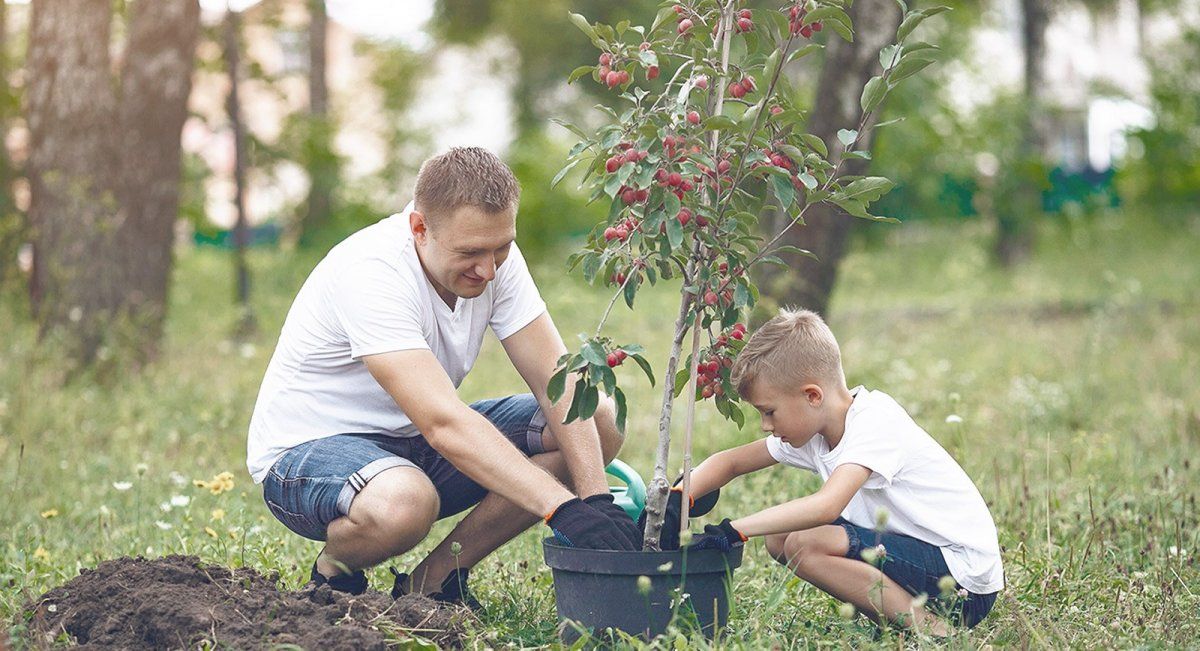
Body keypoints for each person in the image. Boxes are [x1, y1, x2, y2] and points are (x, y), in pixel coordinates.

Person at [246, 147, 640, 607]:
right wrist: (563, 509)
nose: (489, 270)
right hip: (309, 454)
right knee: (404, 504)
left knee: (598, 421)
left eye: (502, 247)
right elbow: (443, 422)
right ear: (419, 228)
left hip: (414, 445)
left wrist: (595, 503)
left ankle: (432, 583)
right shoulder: (371, 273)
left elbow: (560, 381)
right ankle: (336, 572)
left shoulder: (493, 259)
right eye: (471, 252)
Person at [676, 308, 1003, 633]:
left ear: (812, 396)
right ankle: (895, 623)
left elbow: (825, 506)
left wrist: (735, 529)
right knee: (779, 537)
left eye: (770, 412)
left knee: (806, 544)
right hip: (916, 554)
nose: (765, 425)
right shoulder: (818, 425)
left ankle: (935, 633)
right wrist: (677, 497)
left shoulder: (875, 422)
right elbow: (730, 462)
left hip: (962, 582)